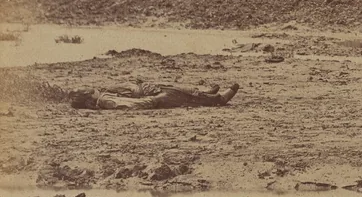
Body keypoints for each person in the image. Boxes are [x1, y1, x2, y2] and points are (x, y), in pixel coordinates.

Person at [46, 80, 240, 111]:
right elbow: (128, 105)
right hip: (151, 100)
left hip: (149, 95)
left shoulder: (103, 96)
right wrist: (149, 101)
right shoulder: (106, 100)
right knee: (179, 96)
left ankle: (204, 93)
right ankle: (218, 100)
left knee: (175, 89)